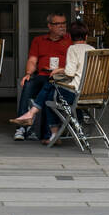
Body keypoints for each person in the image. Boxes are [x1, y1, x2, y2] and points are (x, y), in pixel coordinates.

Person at [11, 22, 94, 143]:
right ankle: (77, 127)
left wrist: (59, 70)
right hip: (93, 94)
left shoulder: (73, 49)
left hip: (76, 93)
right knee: (51, 90)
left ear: (70, 37)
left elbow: (70, 73)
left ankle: (50, 130)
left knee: (50, 96)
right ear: (86, 36)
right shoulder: (92, 50)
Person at [14, 13, 70, 141]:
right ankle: (21, 127)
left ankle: (45, 131)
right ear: (50, 26)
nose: (62, 27)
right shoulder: (39, 40)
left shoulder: (69, 41)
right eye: (58, 24)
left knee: (48, 87)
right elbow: (32, 60)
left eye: (64, 23)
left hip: (62, 79)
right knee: (28, 84)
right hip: (43, 75)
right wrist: (28, 74)